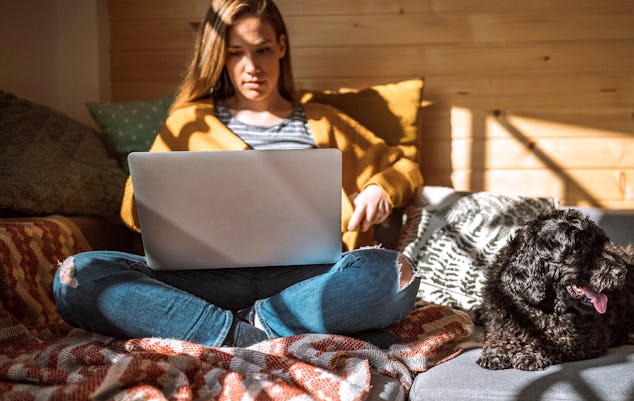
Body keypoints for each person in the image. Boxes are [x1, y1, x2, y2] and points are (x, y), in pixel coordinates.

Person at [53, 0, 422, 347]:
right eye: (235, 53)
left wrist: (379, 188)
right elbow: (132, 207)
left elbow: (404, 167)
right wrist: (172, 197)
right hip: (201, 280)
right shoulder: (189, 122)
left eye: (261, 49)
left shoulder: (326, 122)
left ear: (280, 46)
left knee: (394, 274)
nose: (251, 66)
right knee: (78, 276)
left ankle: (236, 328)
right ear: (220, 58)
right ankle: (256, 336)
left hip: (306, 281)